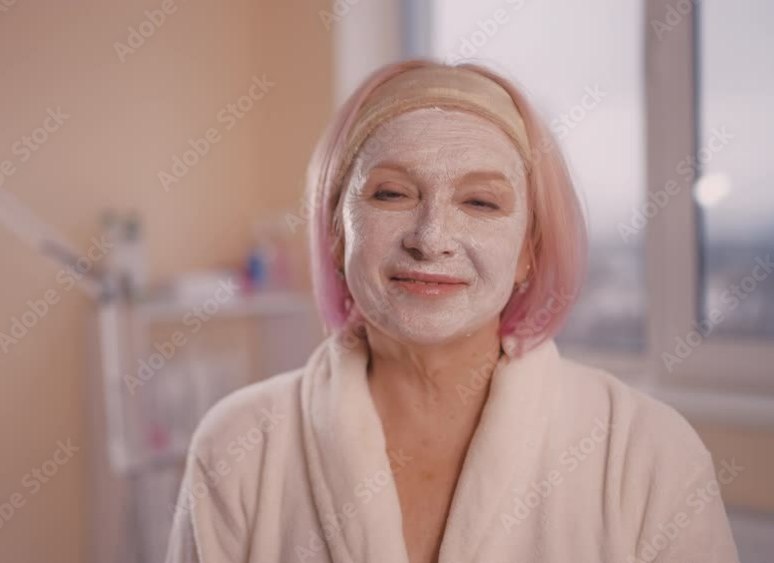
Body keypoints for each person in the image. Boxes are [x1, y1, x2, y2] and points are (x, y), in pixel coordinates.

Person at [164, 59, 740, 563]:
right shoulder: (238, 445)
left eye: (480, 201)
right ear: (337, 234)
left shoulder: (648, 451)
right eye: (391, 193)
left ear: (528, 252)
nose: (431, 238)